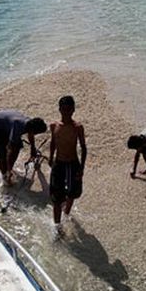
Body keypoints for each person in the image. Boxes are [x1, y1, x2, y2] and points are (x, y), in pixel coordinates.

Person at [48, 95, 87, 228]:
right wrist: (50, 157)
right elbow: (53, 142)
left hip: (73, 163)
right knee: (56, 198)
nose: (66, 112)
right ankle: (57, 227)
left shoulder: (78, 127)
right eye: (64, 109)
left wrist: (82, 168)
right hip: (58, 163)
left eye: (69, 110)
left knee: (73, 193)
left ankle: (66, 213)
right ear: (59, 109)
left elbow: (83, 147)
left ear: (73, 110)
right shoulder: (54, 126)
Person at [0, 110, 47, 185]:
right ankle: (5, 176)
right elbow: (11, 150)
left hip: (4, 123)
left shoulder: (30, 123)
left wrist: (33, 148)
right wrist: (9, 170)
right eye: (36, 133)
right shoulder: (18, 127)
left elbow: (30, 134)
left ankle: (8, 169)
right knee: (2, 151)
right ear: (33, 130)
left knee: (17, 146)